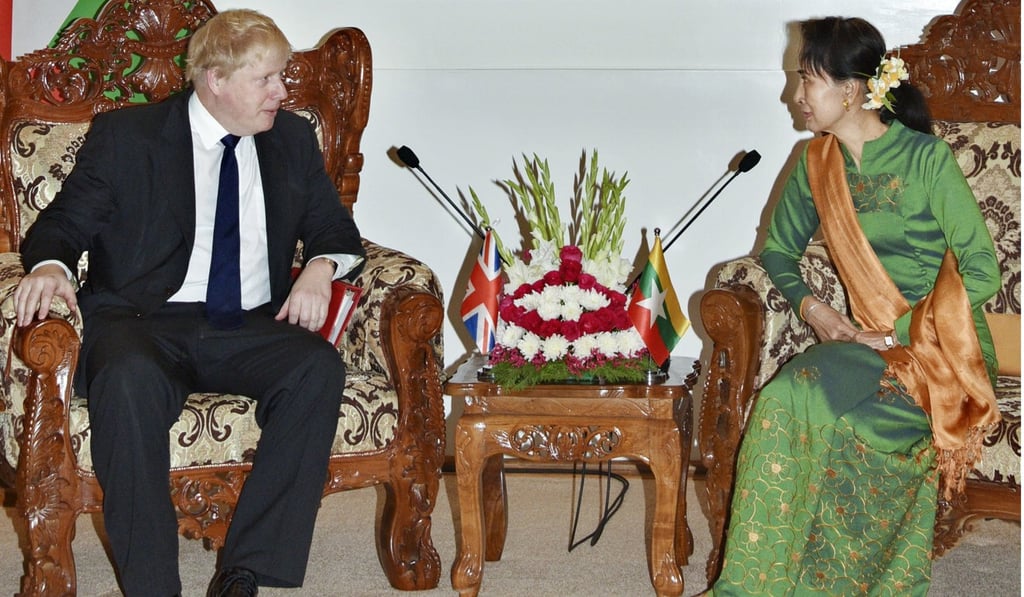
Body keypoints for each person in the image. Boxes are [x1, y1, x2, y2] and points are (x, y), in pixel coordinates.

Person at [13, 9, 364, 597]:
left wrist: (321, 270)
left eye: (282, 76)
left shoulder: (292, 139)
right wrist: (51, 266)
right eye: (267, 79)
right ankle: (153, 586)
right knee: (127, 379)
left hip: (247, 322)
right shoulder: (130, 135)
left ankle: (245, 569)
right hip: (141, 319)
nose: (282, 92)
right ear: (215, 80)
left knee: (316, 367)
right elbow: (63, 225)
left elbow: (334, 226)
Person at [711, 17, 1001, 595]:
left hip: (942, 350)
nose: (794, 97)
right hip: (863, 344)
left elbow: (982, 270)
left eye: (806, 81)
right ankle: (750, 585)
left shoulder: (925, 160)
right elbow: (777, 253)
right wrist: (818, 312)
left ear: (849, 90)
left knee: (852, 429)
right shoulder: (814, 164)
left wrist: (899, 329)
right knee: (781, 403)